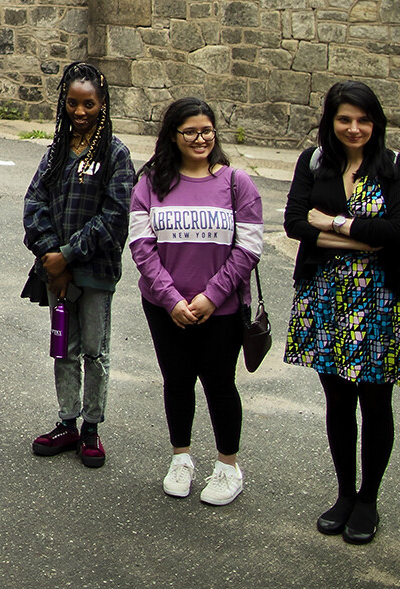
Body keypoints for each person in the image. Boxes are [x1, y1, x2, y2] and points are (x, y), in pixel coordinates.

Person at [282, 81, 400, 545]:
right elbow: (295, 223)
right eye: (345, 119)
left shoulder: (398, 167)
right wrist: (362, 237)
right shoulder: (314, 162)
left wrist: (334, 222)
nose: (354, 128)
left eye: (363, 119)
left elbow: (398, 231)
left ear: (376, 121)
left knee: (376, 403)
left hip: (380, 299)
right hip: (325, 296)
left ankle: (369, 498)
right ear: (331, 121)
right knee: (338, 401)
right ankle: (343, 494)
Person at [129, 96, 262, 507]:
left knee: (221, 384)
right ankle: (181, 458)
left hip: (219, 310)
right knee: (178, 381)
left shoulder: (237, 183)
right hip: (164, 306)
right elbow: (140, 245)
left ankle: (228, 467)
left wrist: (211, 296)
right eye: (190, 131)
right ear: (174, 135)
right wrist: (171, 299)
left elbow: (249, 247)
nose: (200, 138)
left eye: (206, 130)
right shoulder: (151, 181)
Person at [24, 61, 137, 468]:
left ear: (102, 103)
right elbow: (34, 202)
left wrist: (68, 255)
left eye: (88, 103)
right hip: (56, 273)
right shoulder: (56, 151)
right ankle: (67, 421)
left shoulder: (116, 154)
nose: (80, 111)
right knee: (64, 349)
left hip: (95, 272)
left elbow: (114, 217)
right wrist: (51, 256)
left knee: (95, 350)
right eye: (72, 102)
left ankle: (91, 427)